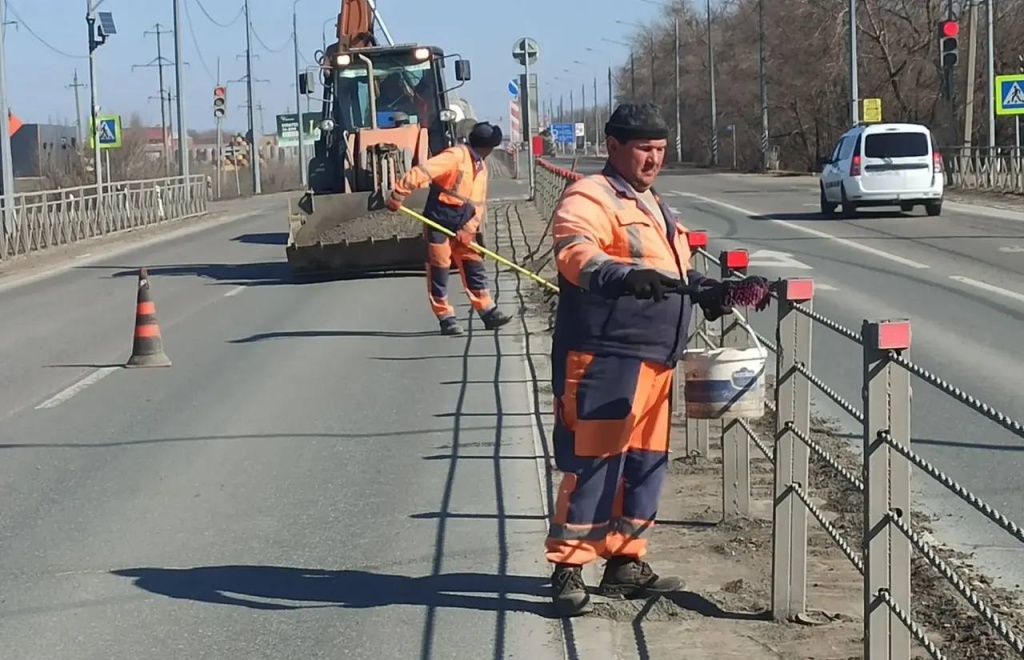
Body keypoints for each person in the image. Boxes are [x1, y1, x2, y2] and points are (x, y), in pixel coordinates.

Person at [543, 102, 758, 617]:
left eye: (660, 150)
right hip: (604, 355)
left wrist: (707, 289)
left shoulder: (651, 201)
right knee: (593, 462)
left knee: (644, 464)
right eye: (644, 149)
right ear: (614, 146)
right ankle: (568, 567)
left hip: (656, 359)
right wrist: (618, 275)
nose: (653, 159)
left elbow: (669, 266)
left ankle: (625, 561)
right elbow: (575, 252)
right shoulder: (589, 196)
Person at [386, 121, 513, 335]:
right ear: (487, 147)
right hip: (439, 221)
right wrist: (399, 193)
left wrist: (470, 228)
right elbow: (422, 172)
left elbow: (478, 203)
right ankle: (446, 318)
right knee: (440, 269)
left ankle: (487, 311)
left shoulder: (481, 166)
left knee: (474, 266)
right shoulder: (455, 156)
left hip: (464, 225)